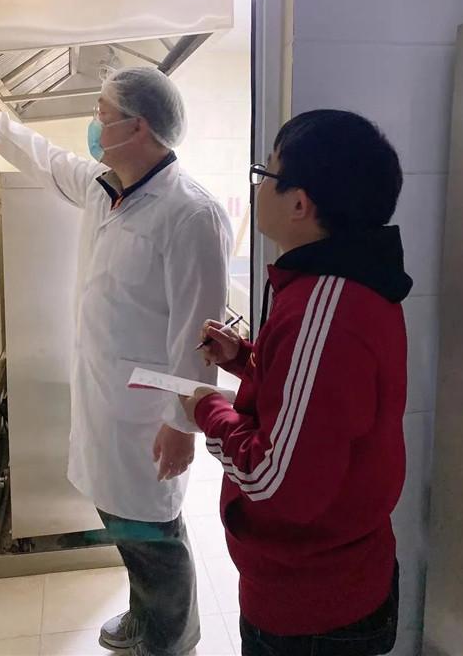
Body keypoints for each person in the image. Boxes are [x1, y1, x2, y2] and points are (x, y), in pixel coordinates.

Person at [0, 68, 233, 656]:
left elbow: (199, 334)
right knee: (124, 526)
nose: (94, 123)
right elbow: (46, 159)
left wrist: (181, 424)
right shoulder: (104, 187)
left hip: (149, 413)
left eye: (101, 113)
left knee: (155, 536)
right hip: (106, 398)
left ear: (138, 127)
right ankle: (145, 617)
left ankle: (170, 641)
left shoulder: (190, 214)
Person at [181, 109, 411, 656]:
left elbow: (275, 480)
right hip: (334, 585)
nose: (258, 184)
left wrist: (208, 409)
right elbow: (318, 403)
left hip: (312, 611)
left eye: (267, 172)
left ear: (300, 204)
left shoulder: (325, 310)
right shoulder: (344, 283)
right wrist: (246, 360)